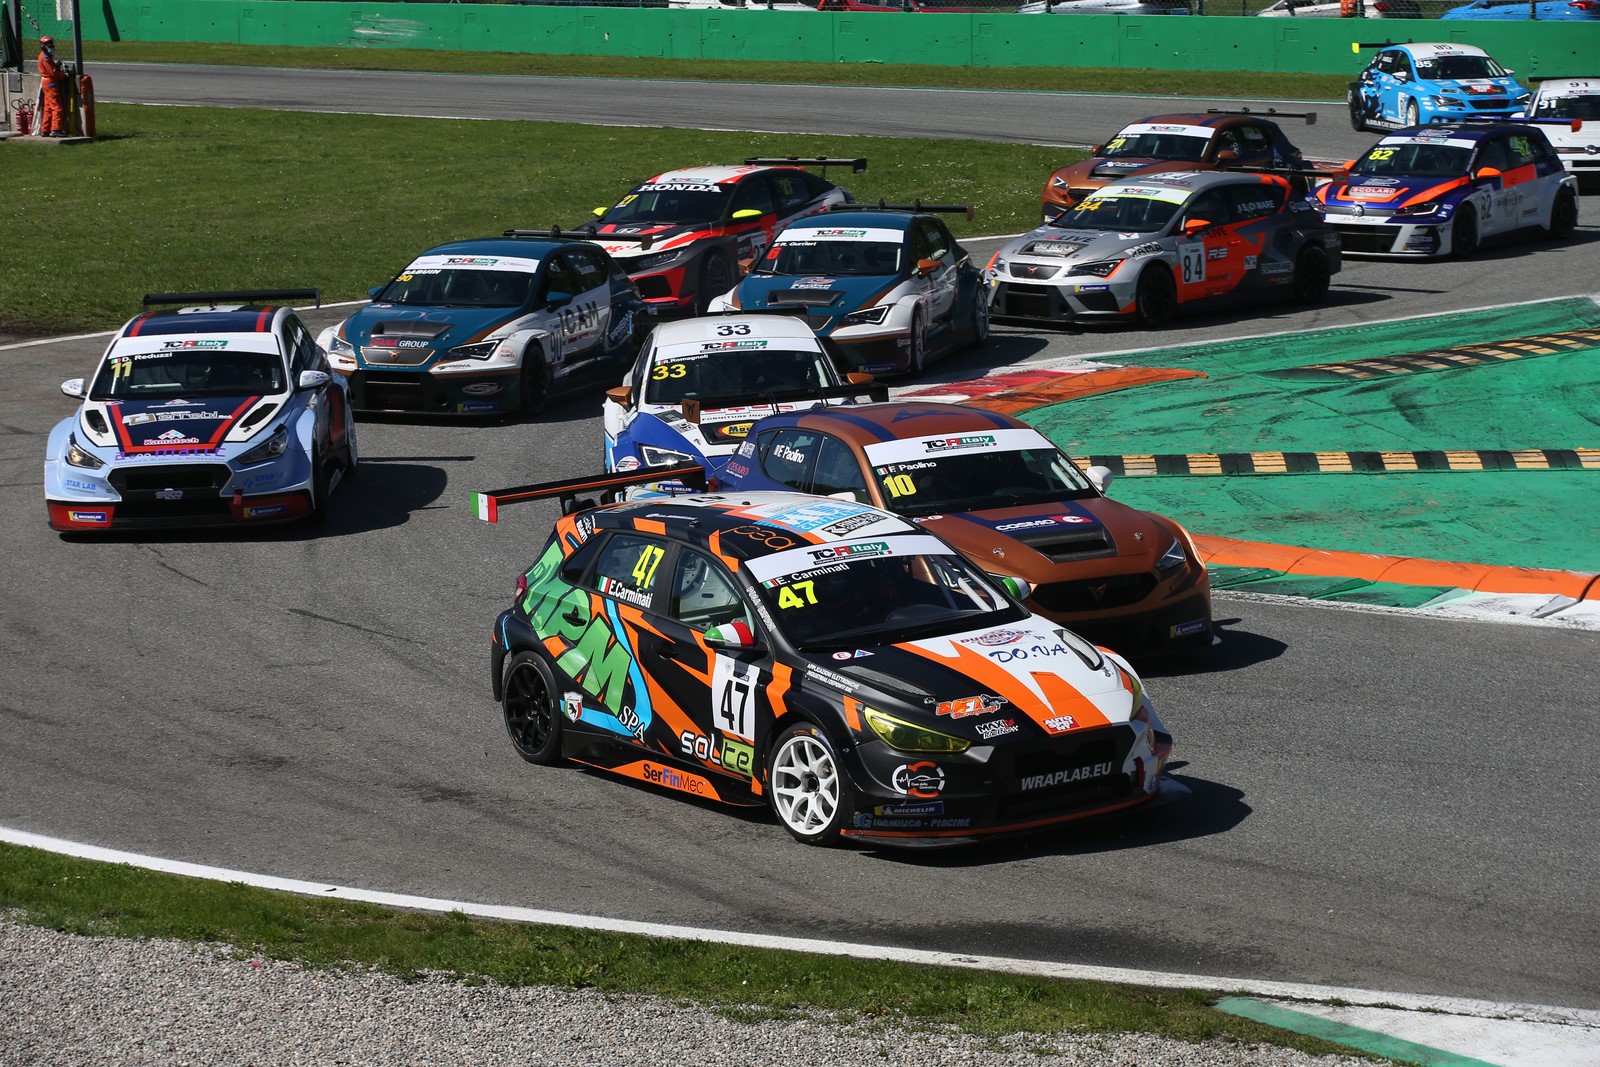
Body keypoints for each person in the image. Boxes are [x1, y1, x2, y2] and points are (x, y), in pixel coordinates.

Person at [36, 36, 68, 137]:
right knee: (57, 107)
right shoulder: (45, 58)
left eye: (51, 44)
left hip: (47, 82)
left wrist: (56, 66)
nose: (51, 46)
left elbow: (52, 69)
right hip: (50, 83)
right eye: (48, 45)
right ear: (43, 46)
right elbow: (53, 73)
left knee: (48, 107)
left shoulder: (46, 56)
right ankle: (56, 129)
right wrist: (63, 74)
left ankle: (45, 130)